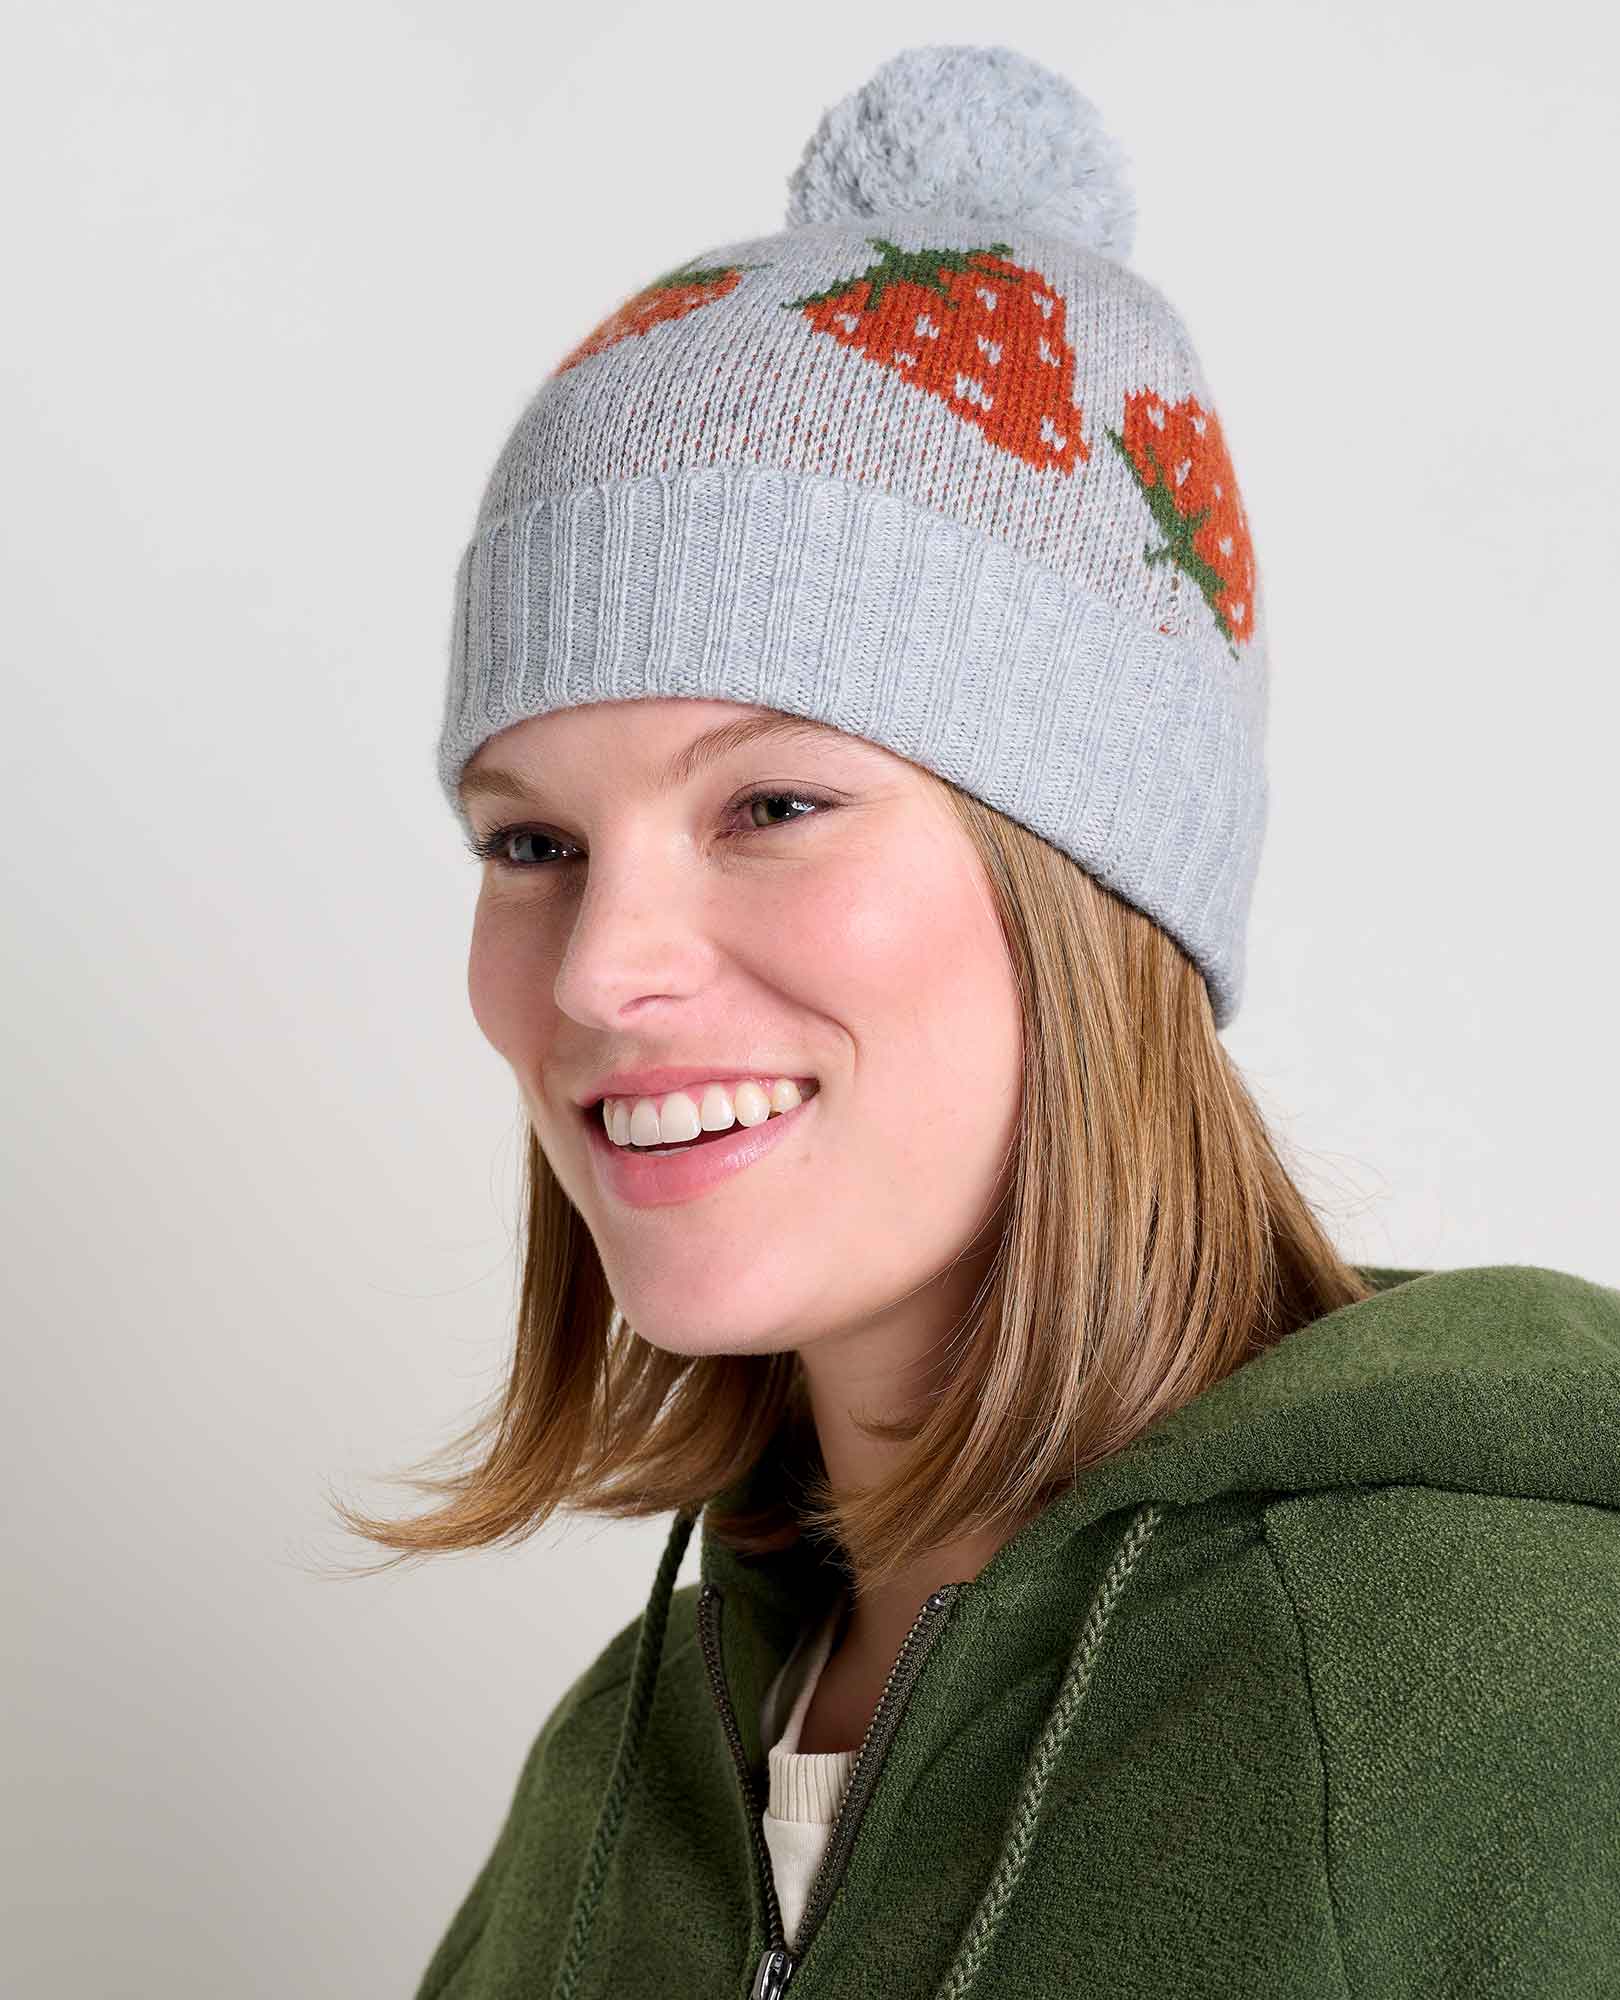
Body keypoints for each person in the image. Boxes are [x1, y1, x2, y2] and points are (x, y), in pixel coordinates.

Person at [334, 43, 1620, 2000]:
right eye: (531, 843)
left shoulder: (1520, 1685)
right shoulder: (624, 1769)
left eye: (772, 803)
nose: (596, 970)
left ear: (1090, 880)